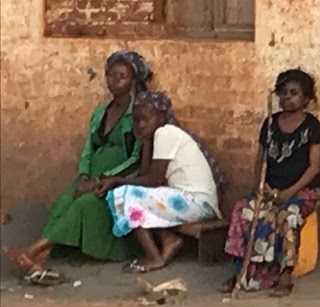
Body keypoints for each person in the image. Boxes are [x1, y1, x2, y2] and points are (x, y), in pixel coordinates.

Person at [7, 50, 150, 283]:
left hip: (117, 181)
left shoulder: (138, 113)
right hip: (91, 177)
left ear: (134, 81)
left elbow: (136, 157)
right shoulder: (101, 112)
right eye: (111, 76)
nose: (115, 81)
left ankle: (32, 251)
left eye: (122, 76)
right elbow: (88, 148)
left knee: (84, 204)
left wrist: (105, 178)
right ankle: (41, 257)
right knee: (64, 201)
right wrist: (84, 175)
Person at [222, 68, 320, 296]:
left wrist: (289, 192)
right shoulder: (270, 124)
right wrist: (262, 187)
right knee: (243, 211)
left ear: (306, 99)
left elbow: (314, 168)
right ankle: (243, 272)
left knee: (288, 216)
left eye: (294, 93)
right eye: (283, 93)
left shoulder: (312, 127)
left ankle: (285, 276)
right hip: (269, 190)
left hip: (303, 191)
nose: (287, 98)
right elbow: (261, 160)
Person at [104, 91, 224, 274]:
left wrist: (116, 180)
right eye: (136, 120)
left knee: (126, 194)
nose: (140, 124)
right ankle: (168, 239)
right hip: (191, 202)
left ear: (161, 117)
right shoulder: (159, 135)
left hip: (198, 203)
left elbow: (153, 180)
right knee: (131, 193)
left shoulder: (166, 132)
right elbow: (146, 175)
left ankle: (154, 257)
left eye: (146, 119)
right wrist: (145, 142)